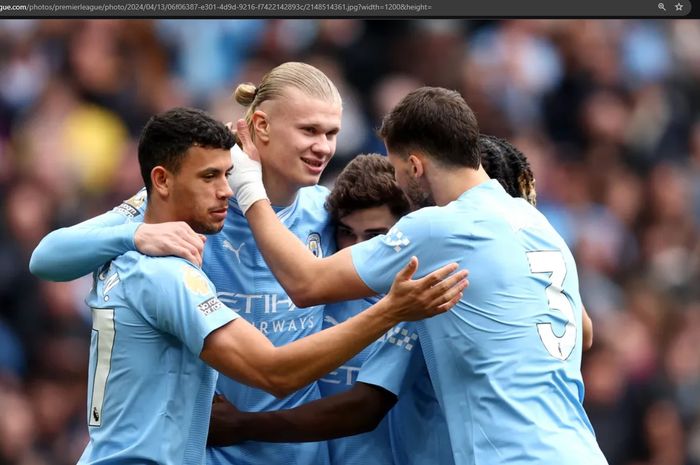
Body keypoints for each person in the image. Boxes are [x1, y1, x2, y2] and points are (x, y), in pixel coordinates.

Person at [51, 106, 465, 465]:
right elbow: (274, 371)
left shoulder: (130, 251)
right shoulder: (167, 274)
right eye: (211, 176)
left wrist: (132, 236)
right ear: (161, 181)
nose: (227, 190)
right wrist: (392, 309)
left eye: (230, 175)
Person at [228, 86, 608, 465]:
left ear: (415, 166)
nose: (401, 187)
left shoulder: (439, 229)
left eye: (395, 170)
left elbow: (306, 283)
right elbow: (585, 331)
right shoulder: (538, 224)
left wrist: (248, 184)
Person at [31, 62, 357, 465]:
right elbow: (46, 258)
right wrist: (133, 234)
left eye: (332, 133)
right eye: (309, 131)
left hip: (301, 456)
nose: (324, 147)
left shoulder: (326, 210)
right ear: (261, 125)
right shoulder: (193, 205)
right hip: (210, 453)